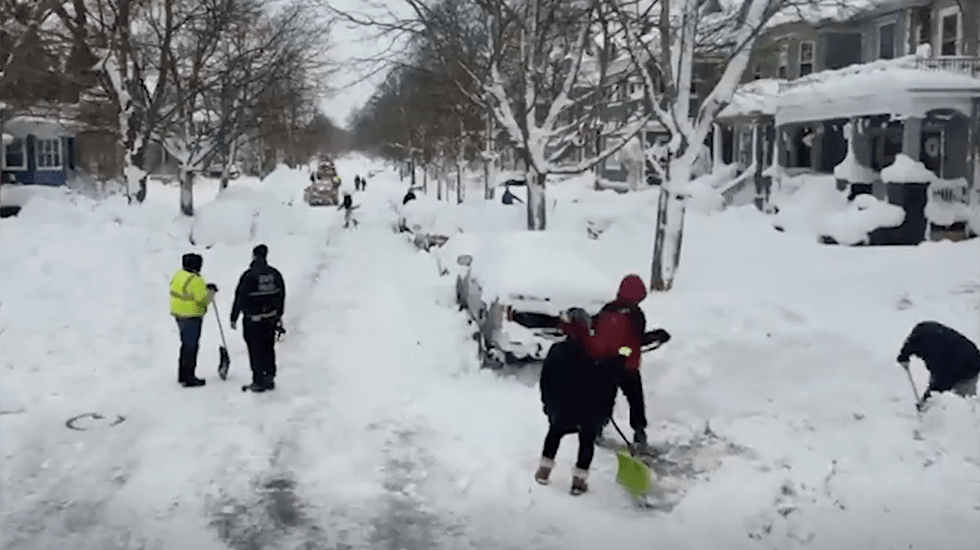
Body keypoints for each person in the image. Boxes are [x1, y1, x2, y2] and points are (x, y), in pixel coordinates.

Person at [535, 308, 622, 495]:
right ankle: (579, 481)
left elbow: (546, 381)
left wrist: (548, 404)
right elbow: (609, 384)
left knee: (554, 435)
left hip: (562, 409)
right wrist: (606, 409)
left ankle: (544, 470)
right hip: (590, 412)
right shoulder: (599, 352)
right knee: (586, 442)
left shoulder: (558, 351)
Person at [230, 245, 286, 392]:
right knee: (268, 348)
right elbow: (281, 295)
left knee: (255, 349)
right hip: (270, 318)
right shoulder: (275, 274)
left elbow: (240, 297)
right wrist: (279, 315)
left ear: (254, 256)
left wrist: (234, 317)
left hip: (253, 320)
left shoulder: (249, 276)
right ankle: (269, 377)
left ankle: (258, 379)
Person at [898, 321, 980, 408]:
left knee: (964, 402)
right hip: (964, 350)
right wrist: (903, 356)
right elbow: (911, 343)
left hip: (969, 364)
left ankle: (971, 414)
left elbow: (940, 383)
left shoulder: (937, 358)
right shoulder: (921, 331)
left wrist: (926, 402)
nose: (919, 357)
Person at [169, 253, 217, 387]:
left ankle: (182, 374)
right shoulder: (196, 280)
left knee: (185, 345)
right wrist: (211, 292)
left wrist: (204, 288)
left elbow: (187, 290)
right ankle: (189, 376)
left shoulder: (179, 275)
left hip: (179, 314)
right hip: (191, 316)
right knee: (191, 347)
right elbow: (202, 300)